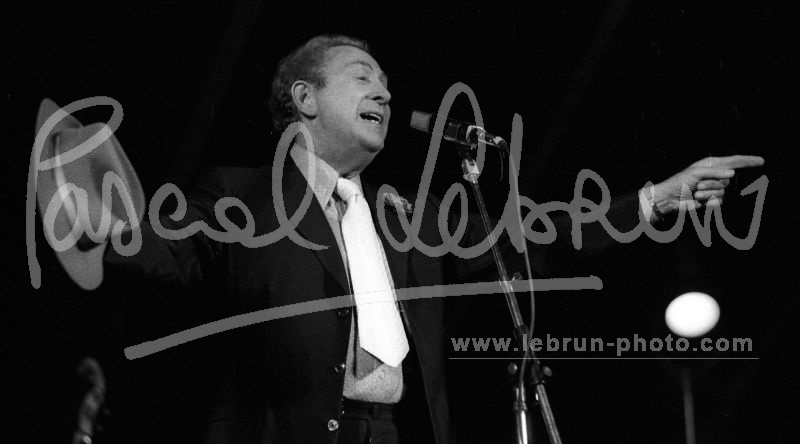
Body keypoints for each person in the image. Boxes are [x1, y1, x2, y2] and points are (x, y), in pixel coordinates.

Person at [96, 34, 762, 444]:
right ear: (305, 97)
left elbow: (530, 241)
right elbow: (171, 252)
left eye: (386, 85)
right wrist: (99, 225)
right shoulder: (243, 193)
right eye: (362, 76)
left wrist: (651, 201)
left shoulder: (403, 217)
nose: (384, 94)